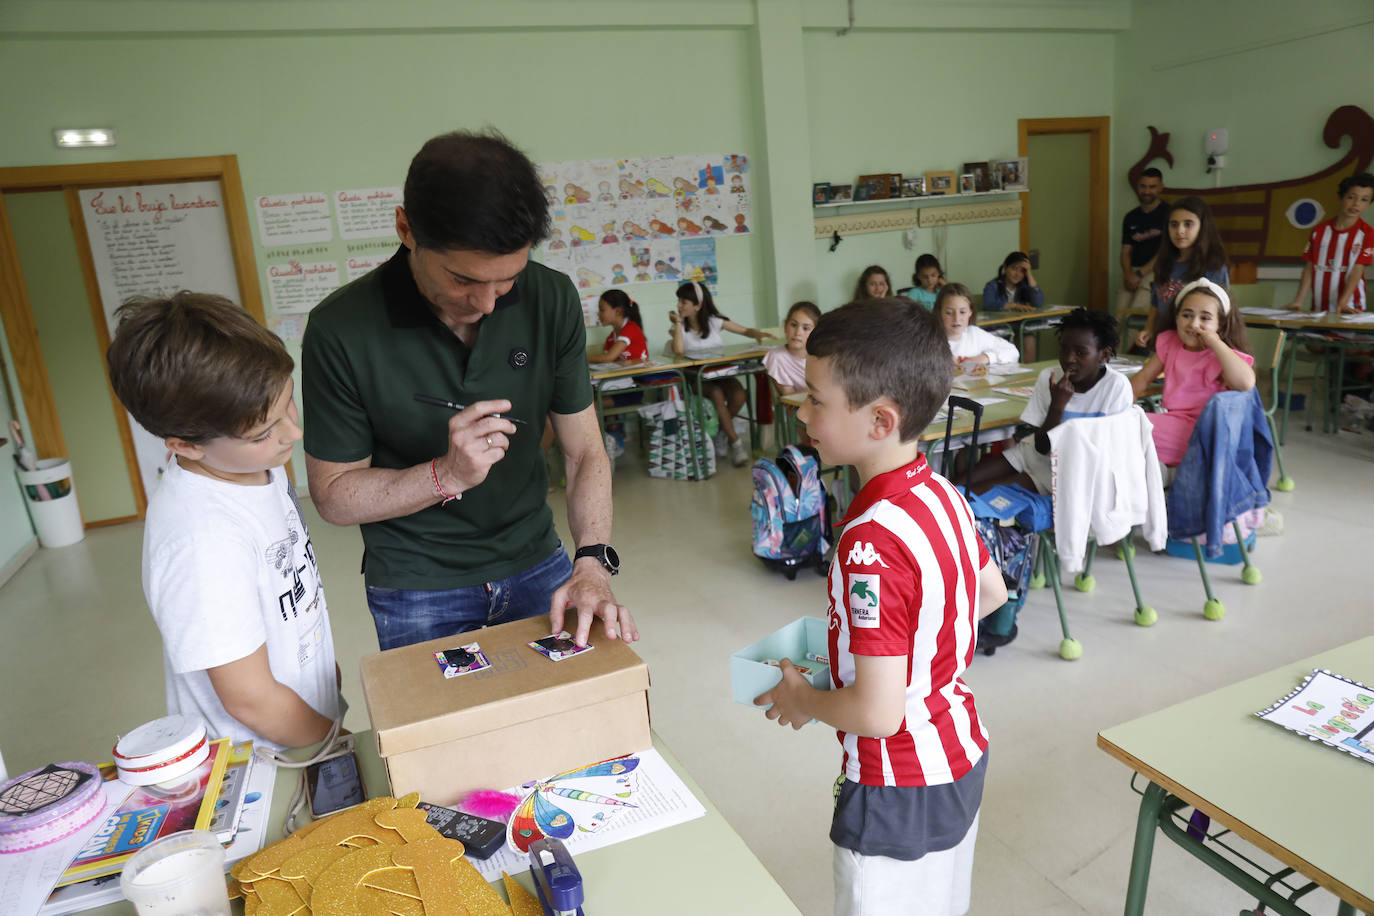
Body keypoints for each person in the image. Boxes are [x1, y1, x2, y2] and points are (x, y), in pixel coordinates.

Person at [302, 129, 636, 651]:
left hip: (537, 561)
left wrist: (592, 559)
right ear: (406, 229)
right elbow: (333, 496)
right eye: (462, 280)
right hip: (418, 583)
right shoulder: (341, 329)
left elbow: (585, 451)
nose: (486, 303)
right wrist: (445, 475)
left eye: (506, 283)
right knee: (446, 732)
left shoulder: (551, 299)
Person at [754, 297, 1006, 916]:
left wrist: (801, 700)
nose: (801, 410)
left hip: (895, 787)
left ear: (879, 420)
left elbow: (876, 713)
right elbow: (991, 594)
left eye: (816, 399)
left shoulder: (870, 541)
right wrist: (886, 649)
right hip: (959, 752)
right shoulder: (940, 488)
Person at [106, 292, 341, 749]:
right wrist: (337, 740)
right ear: (186, 445)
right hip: (264, 756)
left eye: (288, 403)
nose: (294, 432)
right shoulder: (202, 540)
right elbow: (250, 699)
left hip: (304, 723)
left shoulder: (252, 464)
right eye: (263, 432)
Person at [968, 308, 1134, 495]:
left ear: (1103, 355)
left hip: (1065, 474)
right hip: (1033, 455)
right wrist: (1056, 405)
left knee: (974, 495)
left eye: (1081, 352)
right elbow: (1040, 447)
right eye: (1064, 349)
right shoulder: (1050, 376)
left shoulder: (1116, 386)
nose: (1069, 358)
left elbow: (1109, 454)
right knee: (958, 485)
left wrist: (1058, 406)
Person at [1131, 278, 1255, 467]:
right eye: (1187, 315)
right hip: (1173, 423)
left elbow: (1246, 383)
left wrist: (1215, 342)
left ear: (1220, 324)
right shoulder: (1170, 343)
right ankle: (1166, 473)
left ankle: (1166, 474)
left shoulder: (1223, 355)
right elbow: (1141, 380)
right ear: (1176, 317)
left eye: (1205, 318)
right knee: (1123, 425)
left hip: (1206, 432)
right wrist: (1120, 407)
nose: (1194, 324)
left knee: (1128, 432)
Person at [667, 279, 772, 467]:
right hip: (696, 378)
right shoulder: (680, 327)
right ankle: (737, 444)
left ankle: (721, 432)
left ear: (698, 305)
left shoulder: (715, 322)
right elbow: (679, 351)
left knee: (740, 394)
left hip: (721, 374)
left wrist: (758, 334)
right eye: (679, 301)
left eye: (684, 302)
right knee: (716, 394)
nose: (679, 305)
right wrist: (677, 324)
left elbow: (745, 330)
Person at [1134, 196, 1229, 349]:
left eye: (1188, 224)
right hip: (1165, 343)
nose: (1180, 231)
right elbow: (1156, 303)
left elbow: (1220, 314)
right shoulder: (1164, 262)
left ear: (1203, 227)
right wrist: (1149, 329)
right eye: (1174, 224)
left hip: (1196, 345)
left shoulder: (1213, 267)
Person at [1284, 172, 1374, 313]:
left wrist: (1343, 302)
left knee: (1345, 335)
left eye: (1364, 200)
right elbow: (1309, 267)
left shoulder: (1367, 233)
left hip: (1350, 307)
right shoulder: (1319, 230)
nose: (1356, 204)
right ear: (1340, 198)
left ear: (1369, 204)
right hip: (1319, 307)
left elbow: (1357, 270)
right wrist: (1299, 301)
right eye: (1351, 197)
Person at [1119, 168, 1168, 316]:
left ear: (1161, 188)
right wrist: (1128, 274)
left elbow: (1164, 251)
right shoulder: (1130, 217)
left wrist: (1139, 275)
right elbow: (1125, 251)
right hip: (1133, 273)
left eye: (1152, 187)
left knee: (1135, 317)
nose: (1147, 191)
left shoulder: (1169, 213)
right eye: (1143, 186)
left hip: (1156, 273)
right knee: (1119, 316)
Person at [939, 283, 1019, 369]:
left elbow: (1013, 351)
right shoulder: (931, 340)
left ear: (970, 312)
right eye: (949, 313)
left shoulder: (975, 334)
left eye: (962, 312)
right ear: (939, 312)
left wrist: (985, 358)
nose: (957, 318)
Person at [763, 301, 821, 396]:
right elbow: (789, 397)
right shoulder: (777, 357)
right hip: (802, 407)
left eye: (806, 328)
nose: (798, 333)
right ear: (785, 326)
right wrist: (813, 389)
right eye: (793, 325)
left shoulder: (822, 355)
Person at [587, 289, 648, 364]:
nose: (598, 314)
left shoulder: (630, 328)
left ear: (618, 311)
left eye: (602, 310)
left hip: (640, 374)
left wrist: (579, 358)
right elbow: (605, 359)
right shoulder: (611, 337)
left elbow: (608, 358)